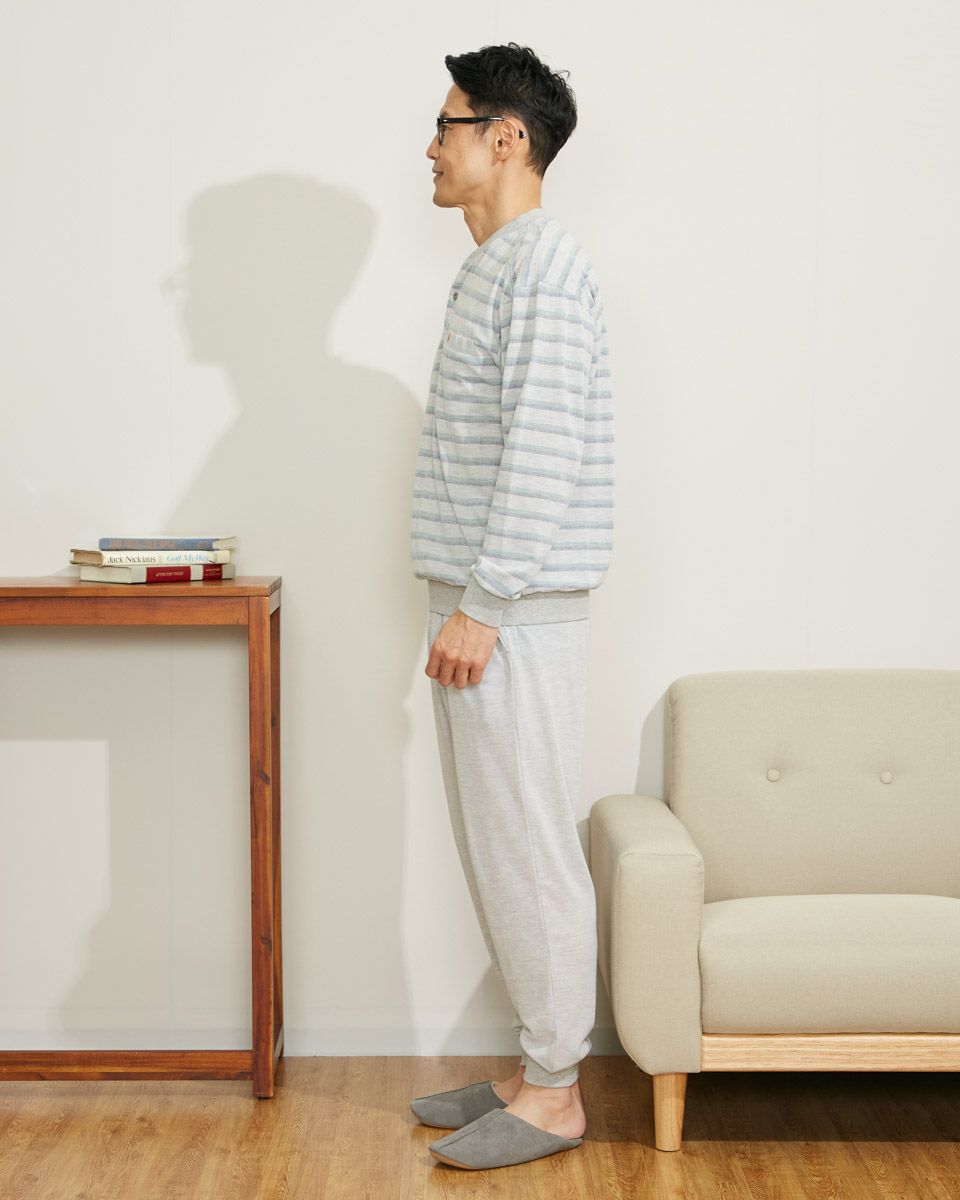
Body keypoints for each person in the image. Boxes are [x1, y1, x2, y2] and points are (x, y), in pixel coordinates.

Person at [408, 42, 614, 1170]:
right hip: (486, 606)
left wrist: (483, 605)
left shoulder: (544, 267)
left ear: (505, 137)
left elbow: (543, 451)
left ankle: (556, 1095)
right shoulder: (496, 267)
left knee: (530, 851)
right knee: (500, 849)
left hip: (512, 616)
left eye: (446, 127)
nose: (429, 149)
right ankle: (536, 1067)